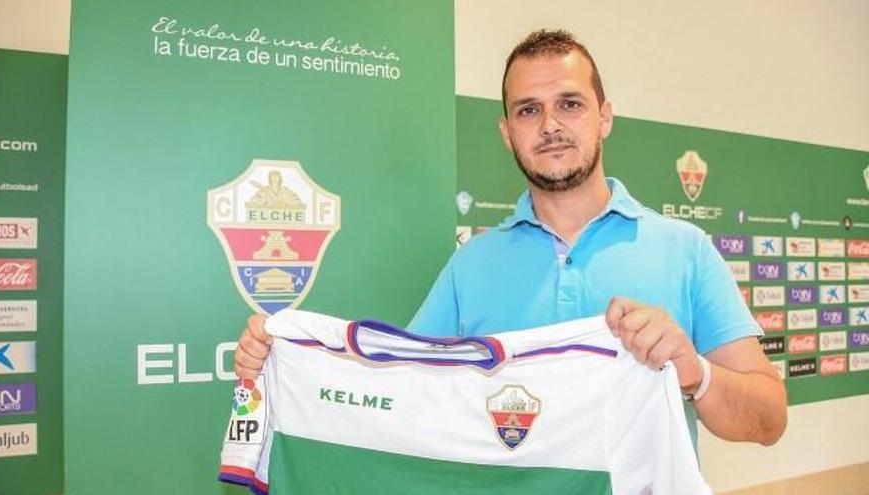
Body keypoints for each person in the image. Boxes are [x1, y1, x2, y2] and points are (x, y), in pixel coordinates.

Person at [235, 29, 787, 446]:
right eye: (529, 110)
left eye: (570, 104)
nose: (550, 125)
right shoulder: (471, 265)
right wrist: (286, 355)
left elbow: (770, 420)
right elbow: (398, 396)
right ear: (507, 132)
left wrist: (695, 371)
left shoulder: (685, 248)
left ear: (605, 118)